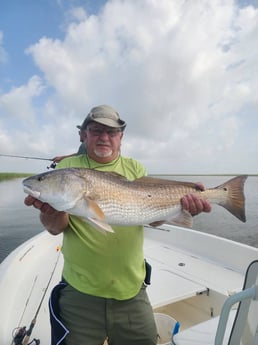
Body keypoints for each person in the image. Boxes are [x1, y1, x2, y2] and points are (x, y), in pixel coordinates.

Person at [24, 105, 211, 345]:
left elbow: (150, 217)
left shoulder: (134, 168)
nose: (104, 137)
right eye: (96, 130)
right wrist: (50, 212)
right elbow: (55, 228)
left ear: (121, 137)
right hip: (79, 293)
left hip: (131, 290)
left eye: (112, 132)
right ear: (83, 135)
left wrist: (184, 206)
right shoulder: (66, 168)